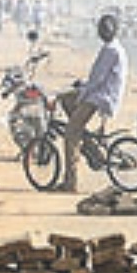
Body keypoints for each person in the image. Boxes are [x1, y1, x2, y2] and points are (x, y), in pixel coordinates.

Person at [56, 14, 128, 192]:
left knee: (70, 132)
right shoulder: (114, 48)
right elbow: (96, 78)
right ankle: (88, 143)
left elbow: (97, 79)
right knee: (66, 98)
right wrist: (82, 86)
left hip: (101, 97)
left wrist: (83, 92)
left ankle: (70, 182)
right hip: (100, 92)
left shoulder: (110, 50)